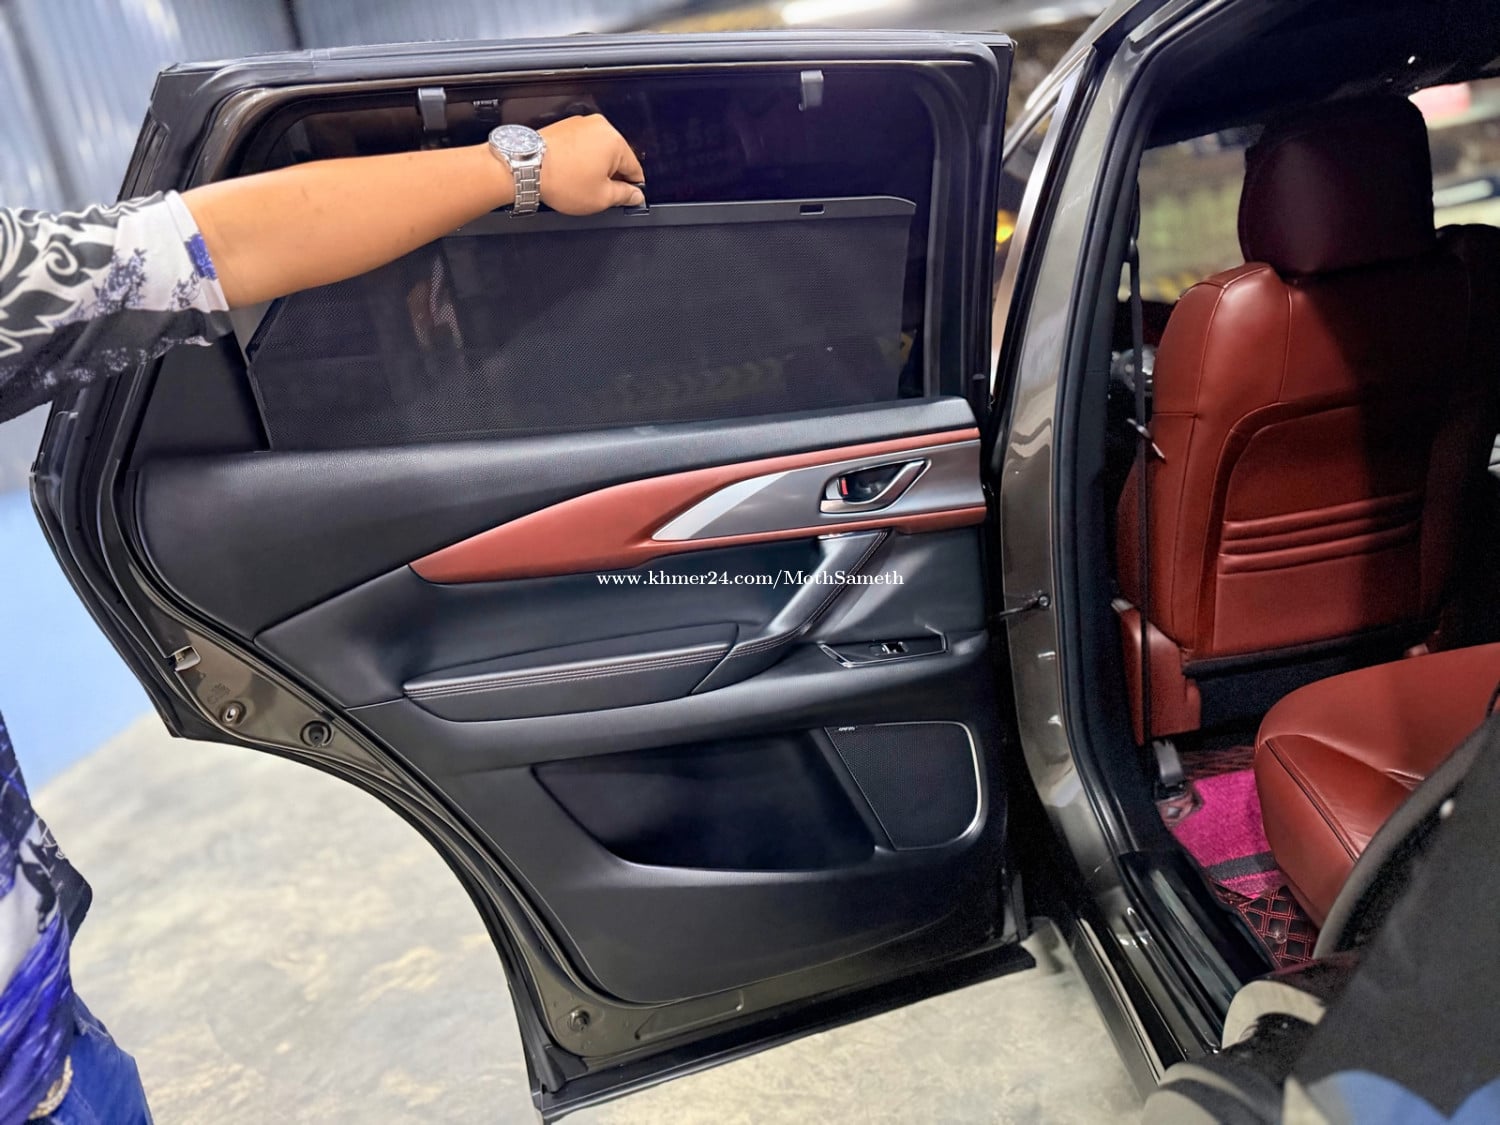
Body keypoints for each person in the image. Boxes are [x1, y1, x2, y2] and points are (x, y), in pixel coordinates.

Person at [0, 113, 645, 1123]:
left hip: (41, 1046)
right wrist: (519, 165)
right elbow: (195, 250)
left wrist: (516, 168)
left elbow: (190, 249)